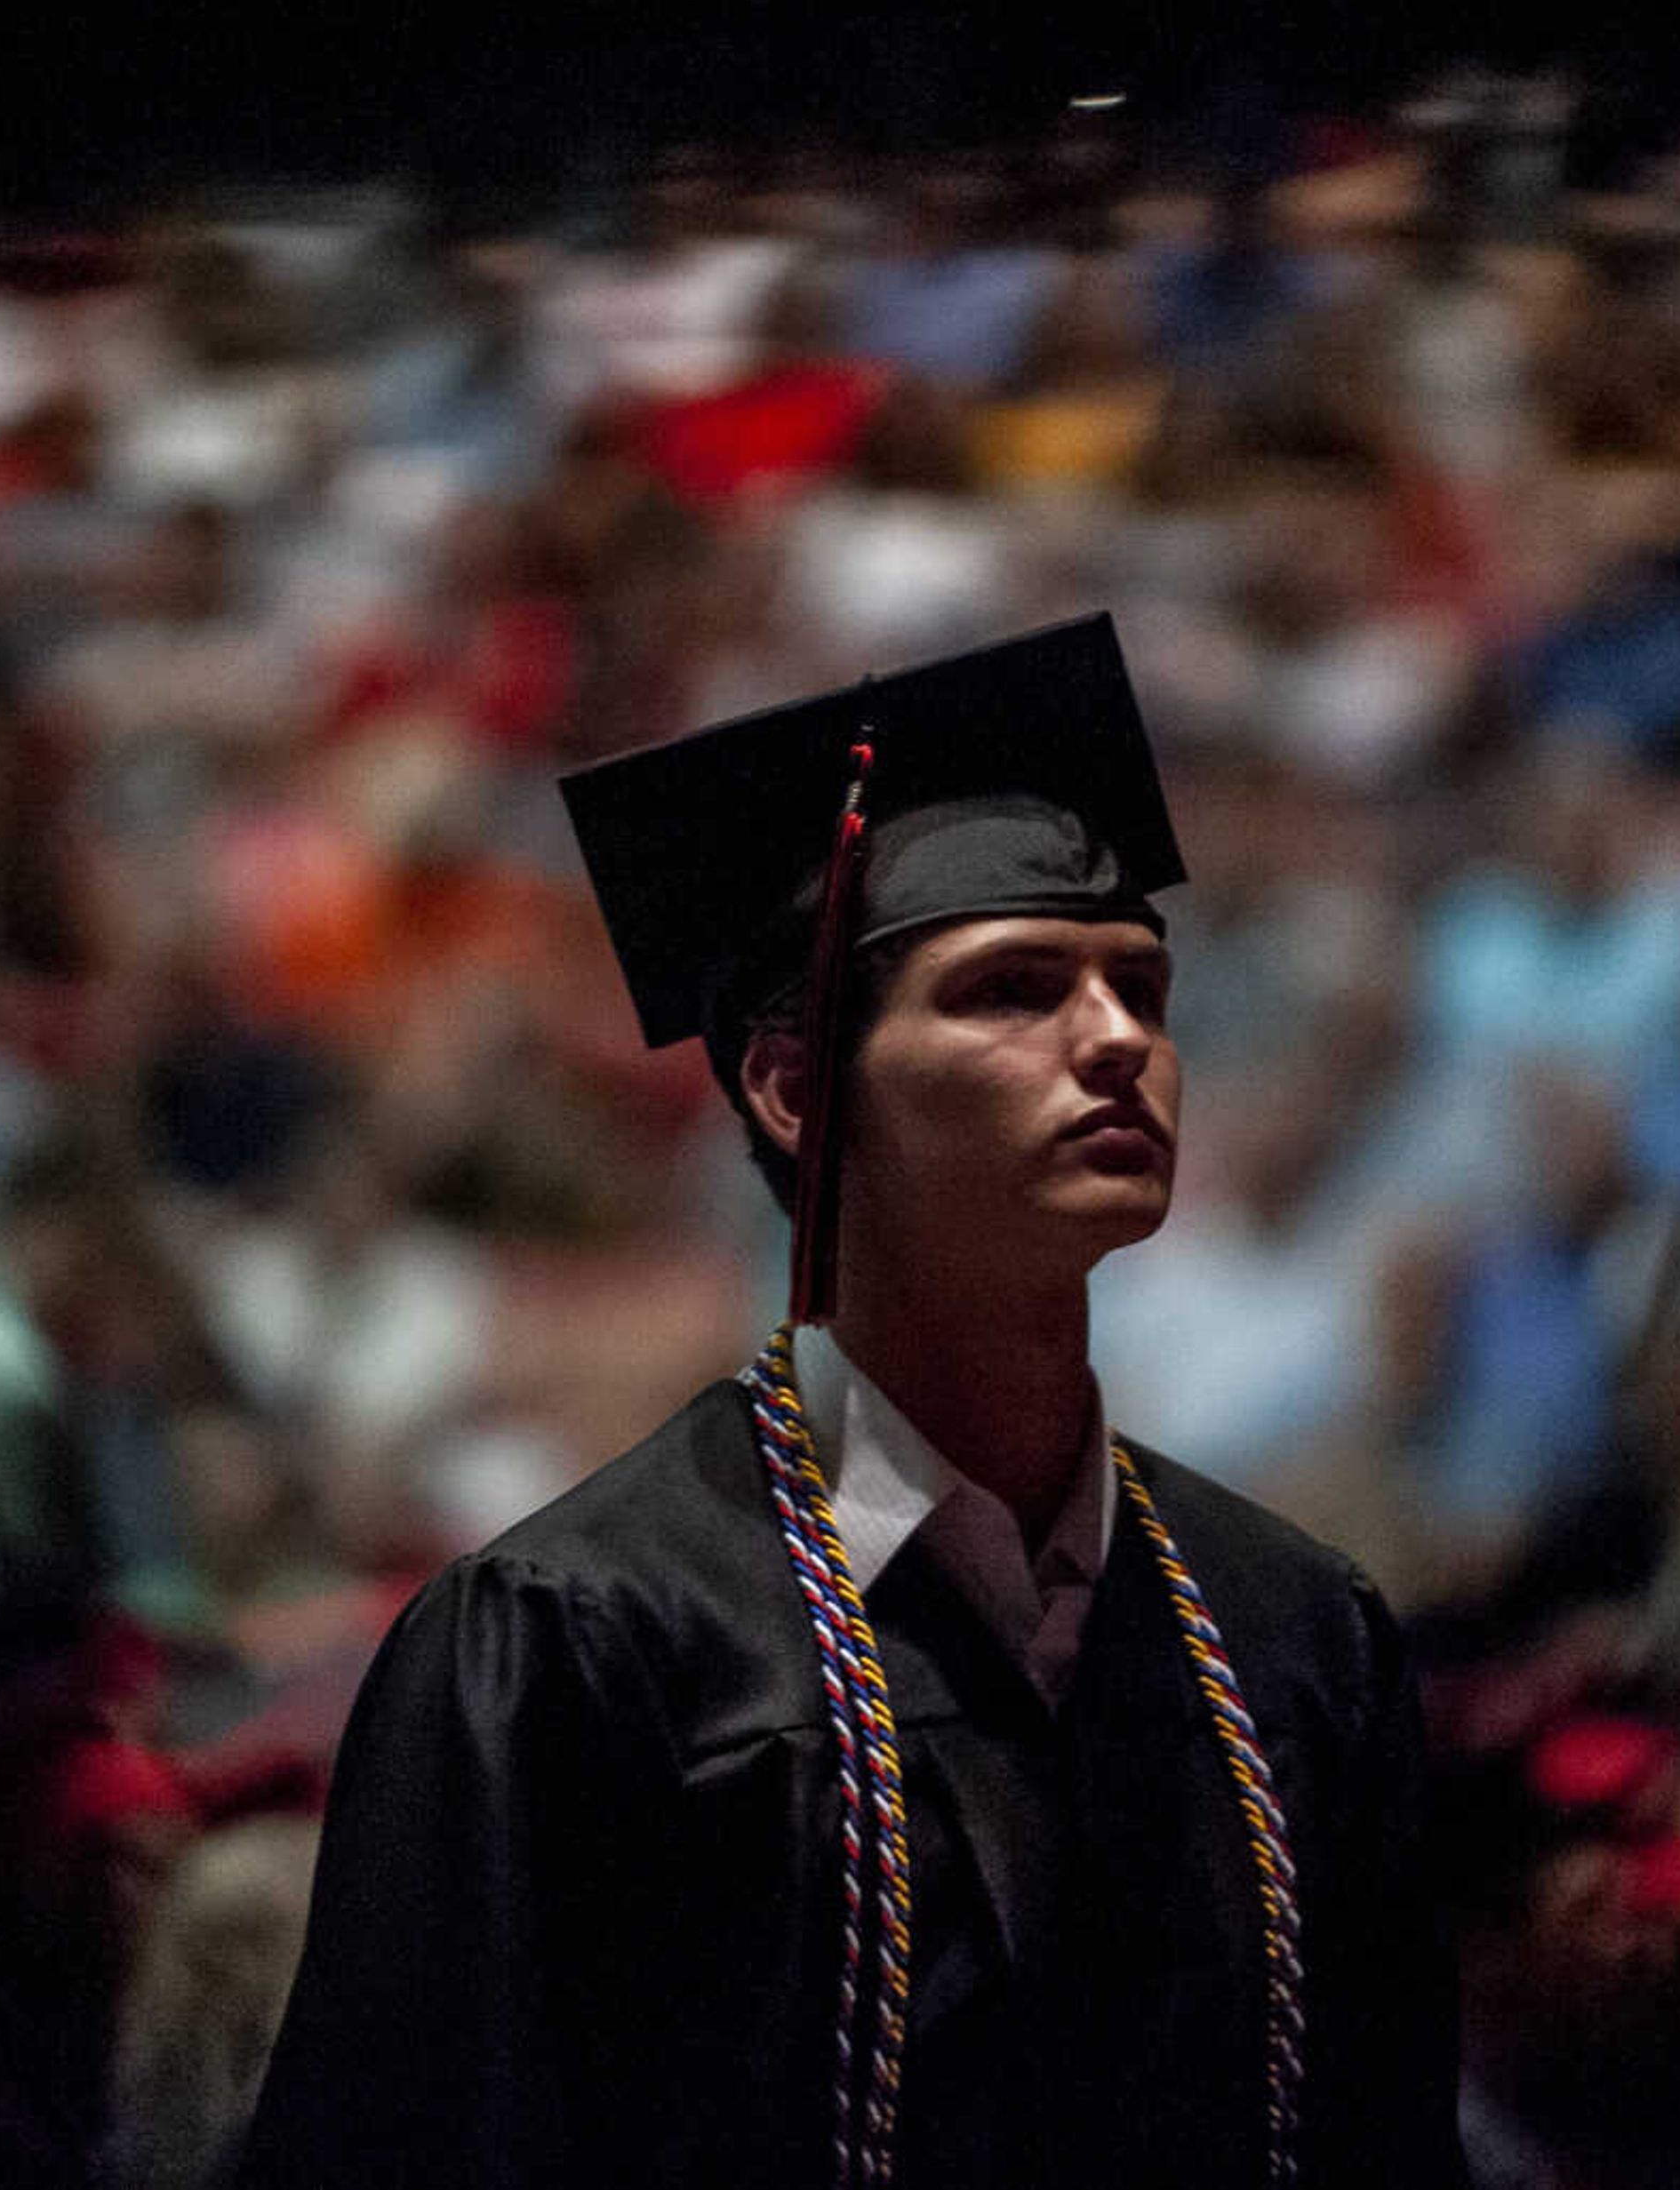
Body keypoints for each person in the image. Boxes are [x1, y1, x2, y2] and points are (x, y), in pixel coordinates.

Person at [235, 616, 1468, 2185]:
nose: (1119, 1043)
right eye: (1015, 989)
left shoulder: (1293, 1637)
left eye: (1141, 989)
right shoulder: (578, 1646)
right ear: (798, 1089)